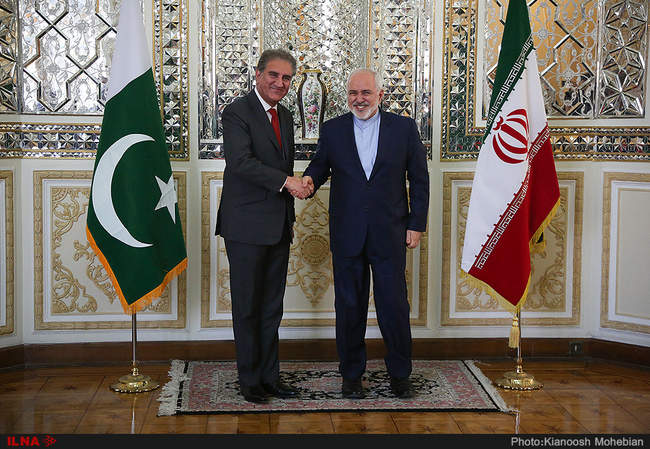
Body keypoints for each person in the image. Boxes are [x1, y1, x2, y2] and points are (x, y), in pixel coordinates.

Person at [302, 69, 429, 399]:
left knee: (393, 306)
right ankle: (351, 375)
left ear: (380, 95)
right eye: (353, 93)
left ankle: (400, 375)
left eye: (366, 93)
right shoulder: (333, 129)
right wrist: (310, 179)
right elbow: (320, 165)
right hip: (347, 232)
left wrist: (416, 224)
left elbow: (419, 179)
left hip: (391, 232)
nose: (359, 99)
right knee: (349, 307)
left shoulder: (404, 129)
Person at [216, 49, 311, 404]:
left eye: (286, 78)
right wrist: (288, 182)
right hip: (245, 226)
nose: (280, 83)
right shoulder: (236, 112)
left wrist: (293, 204)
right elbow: (240, 162)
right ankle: (250, 380)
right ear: (257, 75)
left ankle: (270, 377)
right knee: (248, 306)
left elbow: (283, 167)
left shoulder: (285, 115)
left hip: (278, 225)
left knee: (272, 307)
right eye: (273, 75)